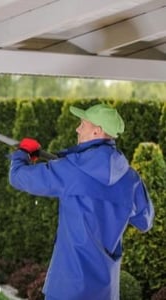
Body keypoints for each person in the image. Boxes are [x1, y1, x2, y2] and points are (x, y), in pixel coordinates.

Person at [8, 103, 154, 300]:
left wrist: (22, 154)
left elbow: (18, 176)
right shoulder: (131, 179)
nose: (77, 128)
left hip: (68, 287)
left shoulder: (70, 170)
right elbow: (145, 222)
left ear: (97, 131)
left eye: (82, 124)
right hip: (106, 291)